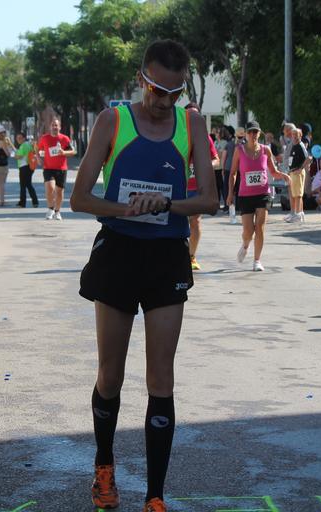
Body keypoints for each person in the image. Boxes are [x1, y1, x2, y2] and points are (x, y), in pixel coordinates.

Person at [70, 39, 217, 512]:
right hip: (118, 253)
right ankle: (104, 468)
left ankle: (155, 495)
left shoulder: (191, 123)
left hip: (165, 258)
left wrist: (168, 204)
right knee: (110, 374)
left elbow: (211, 201)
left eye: (173, 93)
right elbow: (80, 198)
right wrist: (126, 209)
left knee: (161, 378)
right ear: (141, 79)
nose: (162, 101)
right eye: (156, 90)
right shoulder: (114, 121)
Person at [227, 121, 291, 271]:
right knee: (248, 232)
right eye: (250, 132)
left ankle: (257, 260)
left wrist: (283, 176)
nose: (253, 135)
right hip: (245, 195)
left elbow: (273, 171)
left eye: (255, 132)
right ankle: (245, 244)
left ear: (259, 133)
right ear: (246, 134)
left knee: (260, 228)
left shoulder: (265, 150)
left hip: (263, 193)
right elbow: (233, 173)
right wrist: (230, 193)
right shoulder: (239, 151)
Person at [184, 102, 220, 271]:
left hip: (196, 189)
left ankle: (191, 256)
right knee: (175, 222)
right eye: (189, 115)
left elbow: (216, 160)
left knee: (195, 222)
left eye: (195, 115)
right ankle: (175, 254)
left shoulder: (205, 138)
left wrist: (204, 166)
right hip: (179, 189)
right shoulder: (176, 135)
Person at [38, 118, 76, 220]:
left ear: (59, 127)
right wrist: (39, 157)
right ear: (50, 127)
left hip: (61, 168)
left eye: (56, 125)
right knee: (50, 188)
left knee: (59, 192)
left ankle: (57, 211)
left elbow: (73, 151)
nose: (55, 127)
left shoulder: (65, 139)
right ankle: (50, 209)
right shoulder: (44, 138)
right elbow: (39, 149)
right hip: (48, 168)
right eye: (53, 125)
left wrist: (64, 152)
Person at [284, 128, 310, 223]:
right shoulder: (294, 146)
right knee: (295, 194)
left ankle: (298, 215)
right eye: (293, 134)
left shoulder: (300, 145)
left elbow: (308, 158)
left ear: (300, 135)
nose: (294, 136)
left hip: (297, 172)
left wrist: (301, 168)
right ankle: (299, 213)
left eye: (296, 134)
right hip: (292, 172)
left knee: (298, 195)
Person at [14, 133, 39, 208]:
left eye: (20, 138)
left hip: (24, 167)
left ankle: (22, 202)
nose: (18, 140)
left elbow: (19, 156)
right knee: (28, 184)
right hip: (29, 167)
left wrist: (15, 156)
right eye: (17, 138)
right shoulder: (28, 144)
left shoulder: (23, 145)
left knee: (23, 185)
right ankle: (35, 201)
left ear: (24, 138)